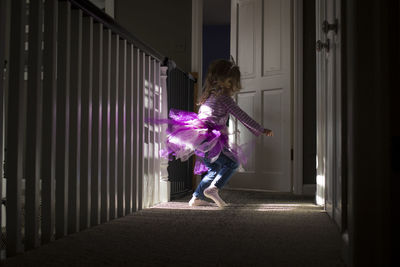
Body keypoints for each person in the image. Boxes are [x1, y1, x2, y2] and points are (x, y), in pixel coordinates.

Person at [161, 58, 273, 208]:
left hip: (198, 138)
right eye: (233, 83)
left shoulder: (209, 95)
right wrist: (260, 129)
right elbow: (242, 116)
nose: (234, 87)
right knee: (233, 163)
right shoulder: (224, 98)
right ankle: (213, 189)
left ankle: (196, 198)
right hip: (208, 139)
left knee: (214, 168)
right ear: (226, 82)